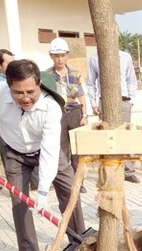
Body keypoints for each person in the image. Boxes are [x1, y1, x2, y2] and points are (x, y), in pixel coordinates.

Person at [0, 60, 86, 251]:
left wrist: (42, 193)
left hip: (44, 149)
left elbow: (50, 151)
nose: (26, 98)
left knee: (70, 193)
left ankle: (79, 242)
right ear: (8, 86)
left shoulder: (51, 106)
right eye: (18, 93)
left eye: (31, 91)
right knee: (19, 202)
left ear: (39, 84)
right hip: (14, 152)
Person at [86, 50, 140, 183]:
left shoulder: (125, 56)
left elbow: (131, 79)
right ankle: (107, 169)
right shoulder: (95, 58)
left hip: (124, 100)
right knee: (106, 135)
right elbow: (91, 83)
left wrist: (131, 100)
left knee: (126, 134)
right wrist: (93, 103)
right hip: (105, 101)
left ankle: (128, 171)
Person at [46, 38, 88, 192]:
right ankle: (62, 182)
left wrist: (85, 115)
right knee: (60, 149)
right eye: (56, 55)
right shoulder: (46, 75)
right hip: (57, 113)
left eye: (63, 55)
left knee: (77, 149)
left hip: (75, 112)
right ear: (51, 56)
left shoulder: (75, 73)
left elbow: (82, 95)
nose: (60, 59)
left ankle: (79, 182)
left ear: (67, 55)